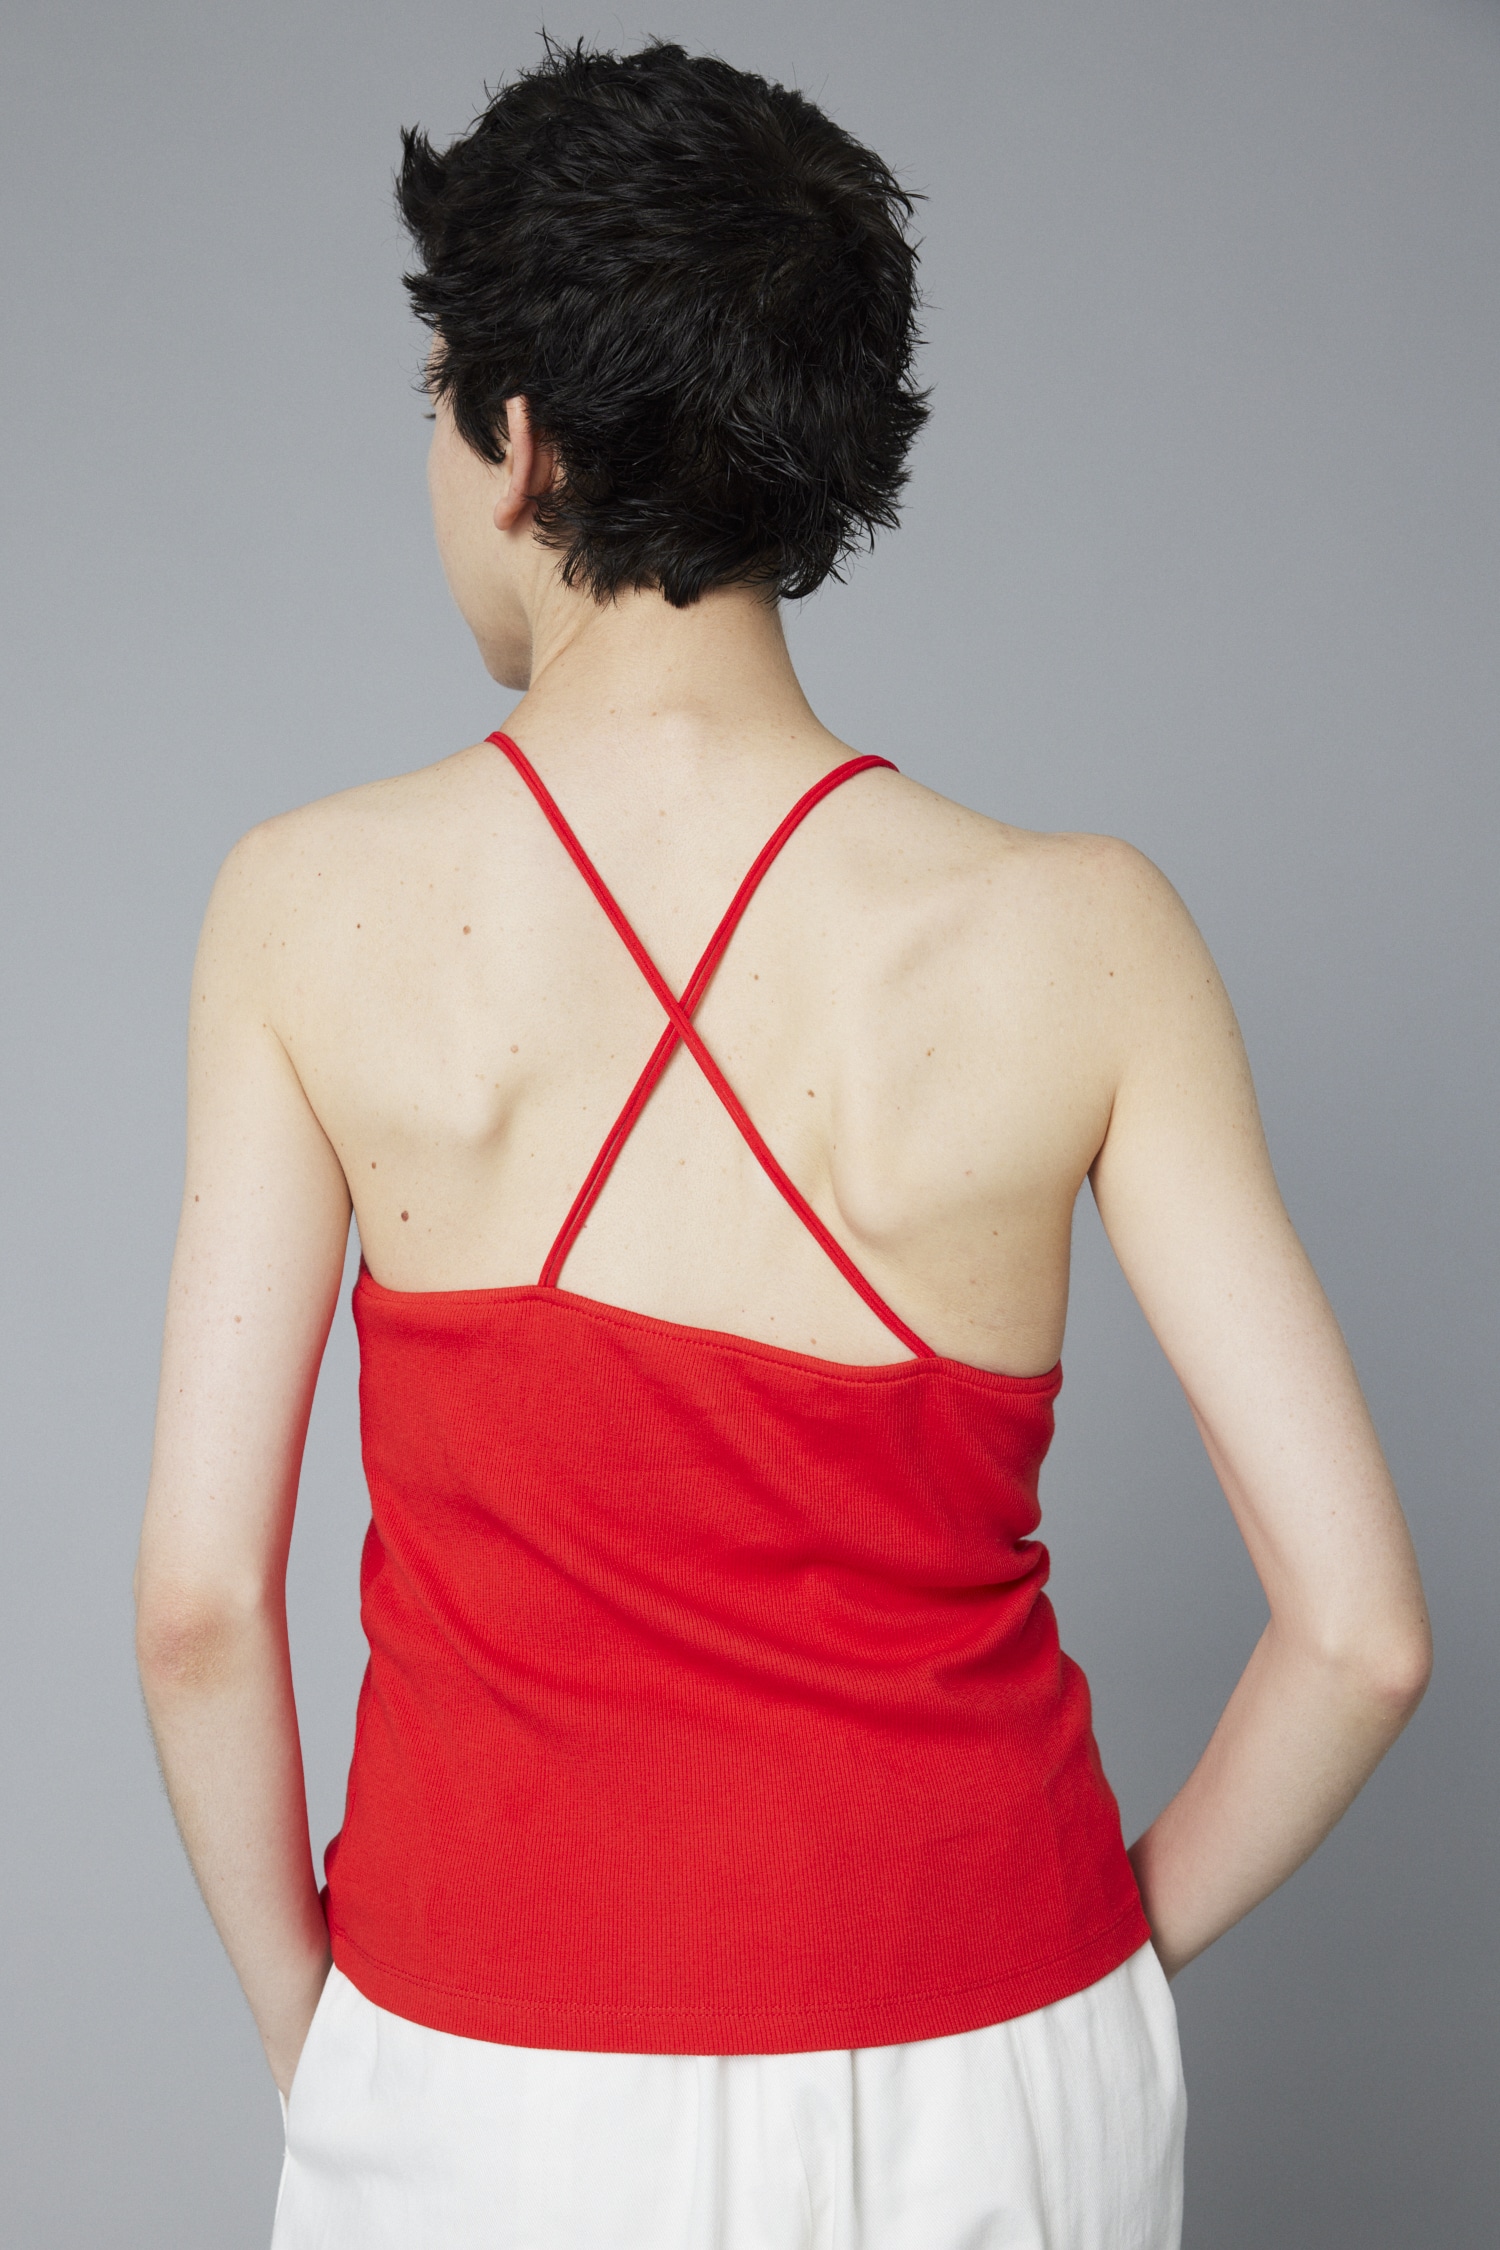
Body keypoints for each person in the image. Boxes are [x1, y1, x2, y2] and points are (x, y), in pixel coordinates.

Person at [133, 38, 1432, 2250]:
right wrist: (1086, 1964)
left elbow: (194, 1614)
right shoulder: (1087, 936)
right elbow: (1362, 1635)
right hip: (998, 2053)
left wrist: (315, 2038)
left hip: (482, 2060)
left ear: (519, 443)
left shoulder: (308, 908)